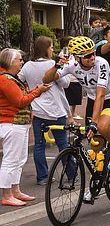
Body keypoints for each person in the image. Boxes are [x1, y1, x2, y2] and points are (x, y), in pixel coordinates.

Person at [43, 36, 110, 201]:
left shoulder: (101, 63)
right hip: (93, 102)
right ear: (78, 57)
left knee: (101, 128)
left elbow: (101, 94)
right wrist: (57, 65)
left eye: (93, 53)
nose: (92, 57)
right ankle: (94, 184)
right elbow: (46, 79)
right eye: (87, 56)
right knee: (94, 149)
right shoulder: (72, 65)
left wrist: (94, 124)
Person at [0, 48, 51, 206]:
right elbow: (20, 101)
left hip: (18, 123)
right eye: (18, 60)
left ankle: (15, 190)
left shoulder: (9, 78)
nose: (21, 62)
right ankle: (7, 194)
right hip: (12, 123)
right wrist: (38, 91)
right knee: (11, 160)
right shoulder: (5, 79)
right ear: (9, 61)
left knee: (19, 159)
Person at [18, 36, 71, 185]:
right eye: (52, 47)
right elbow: (65, 83)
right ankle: (71, 174)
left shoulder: (28, 65)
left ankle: (42, 177)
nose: (53, 49)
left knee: (39, 145)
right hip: (56, 110)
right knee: (63, 144)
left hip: (37, 110)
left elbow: (19, 80)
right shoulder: (53, 64)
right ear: (46, 49)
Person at [60, 36, 83, 120]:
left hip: (76, 78)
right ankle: (69, 113)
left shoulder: (75, 52)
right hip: (69, 78)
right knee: (69, 98)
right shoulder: (65, 52)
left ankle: (73, 112)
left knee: (76, 98)